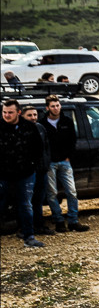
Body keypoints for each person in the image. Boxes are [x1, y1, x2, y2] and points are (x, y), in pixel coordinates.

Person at [1, 99, 45, 247]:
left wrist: (32, 165)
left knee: (25, 205)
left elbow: (39, 149)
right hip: (3, 175)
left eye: (10, 112)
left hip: (25, 174)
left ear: (18, 112)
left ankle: (29, 237)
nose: (7, 115)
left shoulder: (29, 127)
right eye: (4, 112)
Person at [40, 94, 88, 231]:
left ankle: (73, 221)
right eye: (53, 106)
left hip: (65, 162)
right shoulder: (43, 124)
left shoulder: (66, 121)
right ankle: (59, 221)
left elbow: (73, 140)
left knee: (72, 191)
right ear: (47, 108)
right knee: (51, 193)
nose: (56, 108)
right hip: (50, 163)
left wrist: (68, 156)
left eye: (57, 105)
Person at [21, 105, 54, 236]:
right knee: (26, 202)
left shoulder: (40, 128)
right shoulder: (19, 130)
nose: (33, 117)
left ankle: (39, 226)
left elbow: (46, 148)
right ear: (22, 116)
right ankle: (25, 229)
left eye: (35, 115)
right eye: (29, 115)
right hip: (27, 173)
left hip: (42, 171)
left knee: (38, 201)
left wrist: (46, 164)